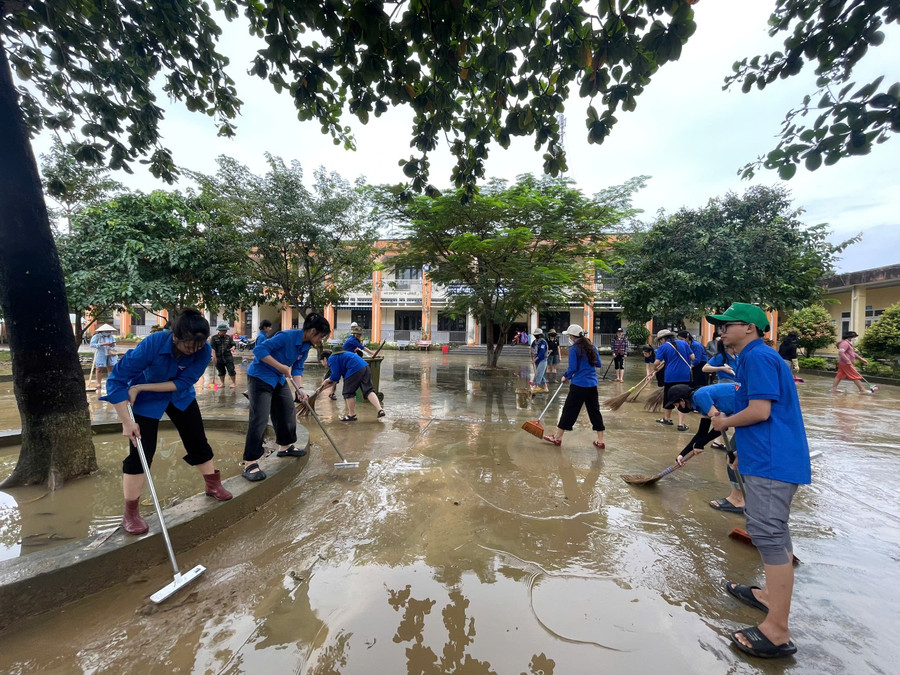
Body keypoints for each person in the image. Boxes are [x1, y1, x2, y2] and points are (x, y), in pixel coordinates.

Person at [708, 302, 810, 659]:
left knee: (768, 534)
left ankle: (777, 631)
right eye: (719, 326)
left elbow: (760, 411)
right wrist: (738, 450)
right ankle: (769, 597)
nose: (721, 331)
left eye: (726, 325)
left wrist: (723, 424)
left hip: (772, 461)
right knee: (773, 532)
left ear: (749, 328)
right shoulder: (751, 358)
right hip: (765, 457)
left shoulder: (759, 358)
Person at [102, 308, 232, 535]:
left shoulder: (203, 351)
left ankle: (213, 484)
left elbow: (183, 383)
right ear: (175, 337)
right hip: (145, 401)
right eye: (188, 345)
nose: (193, 351)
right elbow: (116, 380)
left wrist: (140, 386)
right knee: (141, 451)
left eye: (198, 346)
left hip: (178, 396)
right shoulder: (152, 344)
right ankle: (130, 513)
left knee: (197, 440)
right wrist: (126, 421)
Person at [242, 313, 331, 482]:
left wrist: (301, 390)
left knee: (287, 411)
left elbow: (297, 367)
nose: (321, 340)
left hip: (278, 379)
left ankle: (285, 446)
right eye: (321, 336)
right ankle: (250, 462)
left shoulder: (305, 346)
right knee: (259, 418)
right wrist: (281, 366)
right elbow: (259, 350)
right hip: (260, 377)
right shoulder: (286, 336)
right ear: (313, 331)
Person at [665, 383, 745, 514]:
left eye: (676, 405)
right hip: (746, 412)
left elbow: (721, 427)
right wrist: (683, 454)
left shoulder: (700, 396)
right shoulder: (700, 402)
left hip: (751, 413)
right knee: (737, 456)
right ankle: (746, 496)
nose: (677, 408)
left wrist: (701, 444)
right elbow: (701, 433)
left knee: (733, 457)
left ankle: (738, 500)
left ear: (682, 401)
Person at [542, 324, 605, 450]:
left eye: (569, 335)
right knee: (595, 412)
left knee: (569, 411)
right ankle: (600, 441)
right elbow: (598, 364)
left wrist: (565, 376)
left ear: (572, 336)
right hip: (592, 385)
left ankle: (557, 438)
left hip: (579, 385)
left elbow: (572, 368)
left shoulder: (574, 349)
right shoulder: (592, 347)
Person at [316, 349, 385, 421]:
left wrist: (326, 381)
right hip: (365, 366)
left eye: (321, 362)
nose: (322, 364)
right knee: (368, 391)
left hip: (354, 369)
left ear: (324, 359)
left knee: (348, 393)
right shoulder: (339, 357)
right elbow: (335, 381)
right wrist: (321, 389)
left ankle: (351, 415)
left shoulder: (331, 359)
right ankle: (380, 410)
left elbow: (334, 377)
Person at [648, 329, 693, 431]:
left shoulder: (663, 347)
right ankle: (681, 424)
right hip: (685, 376)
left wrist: (655, 369)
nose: (660, 342)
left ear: (663, 338)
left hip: (670, 376)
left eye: (660, 340)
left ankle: (667, 418)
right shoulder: (684, 343)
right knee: (683, 399)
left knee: (668, 397)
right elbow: (693, 357)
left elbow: (656, 362)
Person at [90, 324, 118, 392]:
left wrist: (112, 344)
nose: (108, 332)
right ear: (102, 331)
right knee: (99, 369)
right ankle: (98, 383)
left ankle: (109, 383)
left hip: (110, 354)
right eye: (107, 331)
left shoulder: (111, 337)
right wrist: (103, 344)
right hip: (101, 354)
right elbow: (92, 344)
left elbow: (114, 344)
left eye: (109, 331)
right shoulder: (97, 336)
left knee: (111, 368)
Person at [210, 323, 237, 389]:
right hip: (218, 357)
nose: (225, 332)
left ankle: (233, 383)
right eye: (223, 331)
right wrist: (214, 357)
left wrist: (233, 348)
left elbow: (233, 344)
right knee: (221, 371)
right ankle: (222, 383)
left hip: (228, 356)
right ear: (219, 330)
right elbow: (213, 348)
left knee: (231, 370)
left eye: (226, 330)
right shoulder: (214, 338)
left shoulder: (229, 338)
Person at [530, 328, 549, 393]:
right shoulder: (535, 341)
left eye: (537, 335)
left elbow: (541, 353)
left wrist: (534, 360)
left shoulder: (543, 342)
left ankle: (535, 386)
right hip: (536, 360)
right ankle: (546, 387)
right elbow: (532, 346)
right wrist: (530, 352)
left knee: (538, 373)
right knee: (541, 374)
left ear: (541, 335)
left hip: (542, 360)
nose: (536, 336)